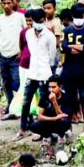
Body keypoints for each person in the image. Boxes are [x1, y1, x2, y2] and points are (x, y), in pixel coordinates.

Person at [19, 9, 56, 138]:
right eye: (36, 21)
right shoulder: (28, 34)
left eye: (41, 21)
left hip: (45, 73)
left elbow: (52, 57)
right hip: (32, 72)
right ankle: (22, 129)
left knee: (44, 104)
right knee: (26, 102)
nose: (39, 24)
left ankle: (42, 131)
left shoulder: (50, 36)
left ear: (44, 20)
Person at [60, 3, 84, 134]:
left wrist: (72, 47)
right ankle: (68, 128)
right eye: (76, 16)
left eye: (80, 16)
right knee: (69, 99)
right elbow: (63, 47)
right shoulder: (67, 30)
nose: (78, 18)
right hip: (69, 71)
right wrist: (81, 48)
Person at [0, 0, 26, 120]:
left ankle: (20, 108)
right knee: (6, 83)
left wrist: (22, 51)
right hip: (3, 55)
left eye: (9, 3)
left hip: (16, 56)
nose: (7, 6)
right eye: (4, 3)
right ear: (1, 4)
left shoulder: (19, 17)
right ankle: (11, 106)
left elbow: (27, 33)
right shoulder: (0, 18)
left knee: (17, 82)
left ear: (13, 3)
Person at [29, 76, 71, 140]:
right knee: (33, 126)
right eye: (49, 87)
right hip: (48, 121)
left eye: (54, 87)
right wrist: (54, 118)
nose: (51, 89)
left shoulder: (66, 97)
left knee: (66, 123)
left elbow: (62, 118)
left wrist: (54, 102)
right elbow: (40, 117)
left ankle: (61, 135)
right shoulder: (45, 96)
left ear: (60, 87)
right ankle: (47, 136)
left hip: (59, 123)